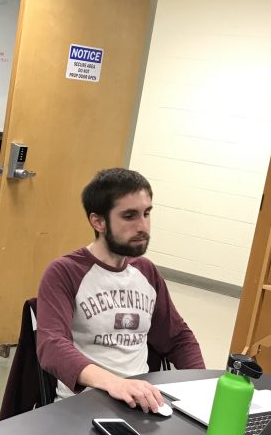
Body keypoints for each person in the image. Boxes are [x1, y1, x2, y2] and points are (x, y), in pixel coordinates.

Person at [37, 167, 205, 411]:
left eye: (147, 213)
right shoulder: (64, 272)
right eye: (130, 216)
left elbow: (178, 338)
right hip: (82, 406)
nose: (143, 227)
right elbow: (51, 346)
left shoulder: (146, 271)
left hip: (143, 402)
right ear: (98, 221)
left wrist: (205, 388)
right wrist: (114, 384)